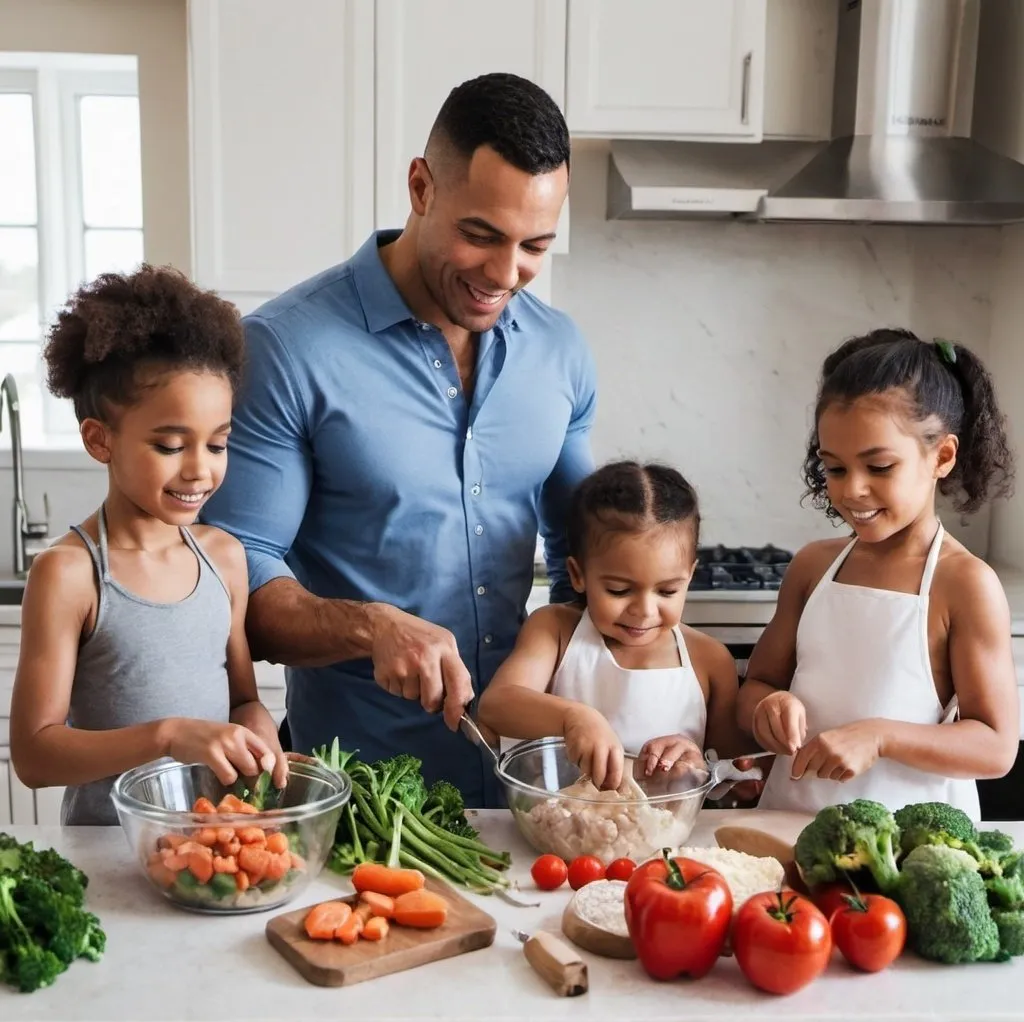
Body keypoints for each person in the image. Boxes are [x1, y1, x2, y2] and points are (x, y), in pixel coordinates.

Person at [201, 73, 596, 807]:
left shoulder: (561, 351)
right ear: (420, 187)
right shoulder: (287, 350)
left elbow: (589, 560)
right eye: (480, 235)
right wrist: (369, 625)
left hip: (530, 800)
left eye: (534, 245)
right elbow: (230, 587)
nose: (506, 273)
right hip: (360, 800)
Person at [10, 266, 287, 826]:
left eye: (217, 444)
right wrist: (166, 736)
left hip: (215, 848)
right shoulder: (69, 574)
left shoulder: (224, 559)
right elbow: (34, 756)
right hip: (107, 857)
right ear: (100, 439)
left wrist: (256, 734)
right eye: (169, 445)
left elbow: (242, 699)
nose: (200, 470)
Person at [738, 328, 1019, 816]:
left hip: (908, 853)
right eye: (836, 469)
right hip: (789, 825)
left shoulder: (963, 583)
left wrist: (880, 737)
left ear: (942, 457)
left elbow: (996, 746)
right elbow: (756, 686)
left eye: (880, 467)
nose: (852, 491)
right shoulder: (813, 567)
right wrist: (766, 708)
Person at [478, 461, 747, 791]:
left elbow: (736, 778)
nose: (644, 611)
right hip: (561, 835)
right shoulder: (555, 631)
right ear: (578, 575)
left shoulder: (709, 659)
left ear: (689, 575)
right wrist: (575, 718)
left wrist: (697, 763)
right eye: (619, 590)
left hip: (671, 839)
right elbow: (496, 705)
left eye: (667, 591)